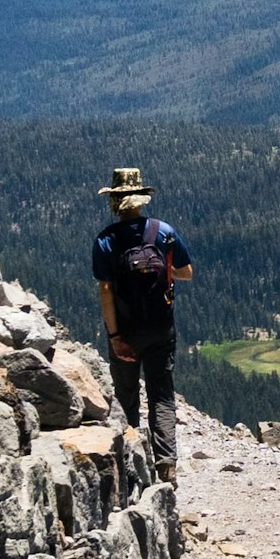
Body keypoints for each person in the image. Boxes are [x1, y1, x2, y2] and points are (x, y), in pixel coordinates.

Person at [89, 164, 192, 479]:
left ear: (115, 200)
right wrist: (164, 270)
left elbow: (106, 290)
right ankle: (167, 463)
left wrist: (114, 334)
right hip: (162, 328)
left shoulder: (105, 240)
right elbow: (186, 273)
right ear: (140, 199)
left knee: (127, 393)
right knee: (161, 393)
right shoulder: (164, 232)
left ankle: (133, 463)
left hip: (127, 330)